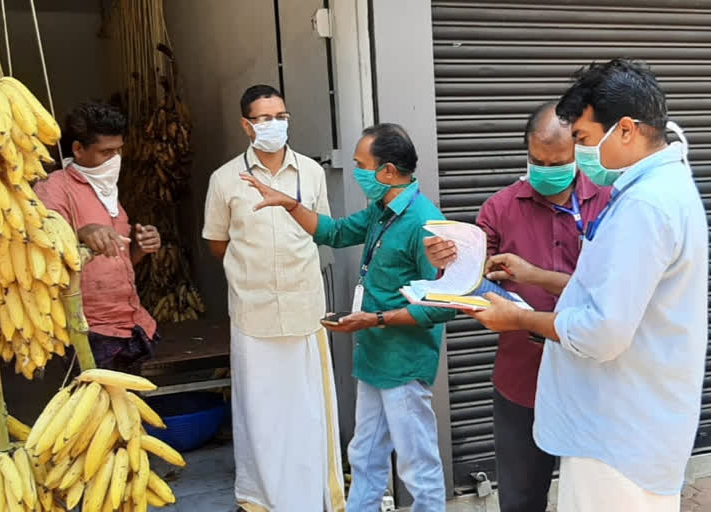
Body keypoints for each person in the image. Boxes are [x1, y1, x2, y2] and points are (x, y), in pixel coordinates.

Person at [462, 59, 707, 511]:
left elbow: (602, 330)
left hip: (619, 435)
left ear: (627, 130)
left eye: (584, 141)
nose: (584, 155)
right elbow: (611, 292)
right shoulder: (663, 188)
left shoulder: (643, 207)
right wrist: (533, 276)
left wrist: (517, 317)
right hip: (628, 422)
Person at [242, 123, 452, 512]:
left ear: (387, 171)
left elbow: (440, 304)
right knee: (365, 456)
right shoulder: (380, 211)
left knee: (417, 465)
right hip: (372, 360)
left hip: (403, 364)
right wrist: (289, 203)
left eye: (360, 164)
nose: (355, 172)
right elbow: (334, 233)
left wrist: (376, 320)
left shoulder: (423, 222)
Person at [427, 102, 609, 511]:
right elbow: (471, 283)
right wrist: (448, 266)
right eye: (537, 161)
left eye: (558, 162)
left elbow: (615, 294)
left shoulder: (609, 201)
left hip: (596, 381)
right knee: (521, 499)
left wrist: (537, 276)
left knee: (597, 498)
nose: (547, 170)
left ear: (579, 152)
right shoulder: (500, 208)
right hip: (523, 380)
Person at [202, 84, 345, 512]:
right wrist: (253, 275)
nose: (274, 125)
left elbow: (321, 229)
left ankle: (315, 498)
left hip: (305, 312)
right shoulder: (225, 179)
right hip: (253, 315)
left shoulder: (311, 173)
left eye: (280, 116)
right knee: (261, 416)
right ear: (246, 125)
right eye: (264, 119)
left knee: (308, 413)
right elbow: (217, 243)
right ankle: (266, 500)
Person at [34, 101, 161, 371]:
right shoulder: (53, 189)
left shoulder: (108, 190)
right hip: (87, 332)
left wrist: (140, 248)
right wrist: (81, 233)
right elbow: (42, 252)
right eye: (106, 152)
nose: (115, 159)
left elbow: (116, 261)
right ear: (78, 149)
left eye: (118, 151)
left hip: (133, 326)